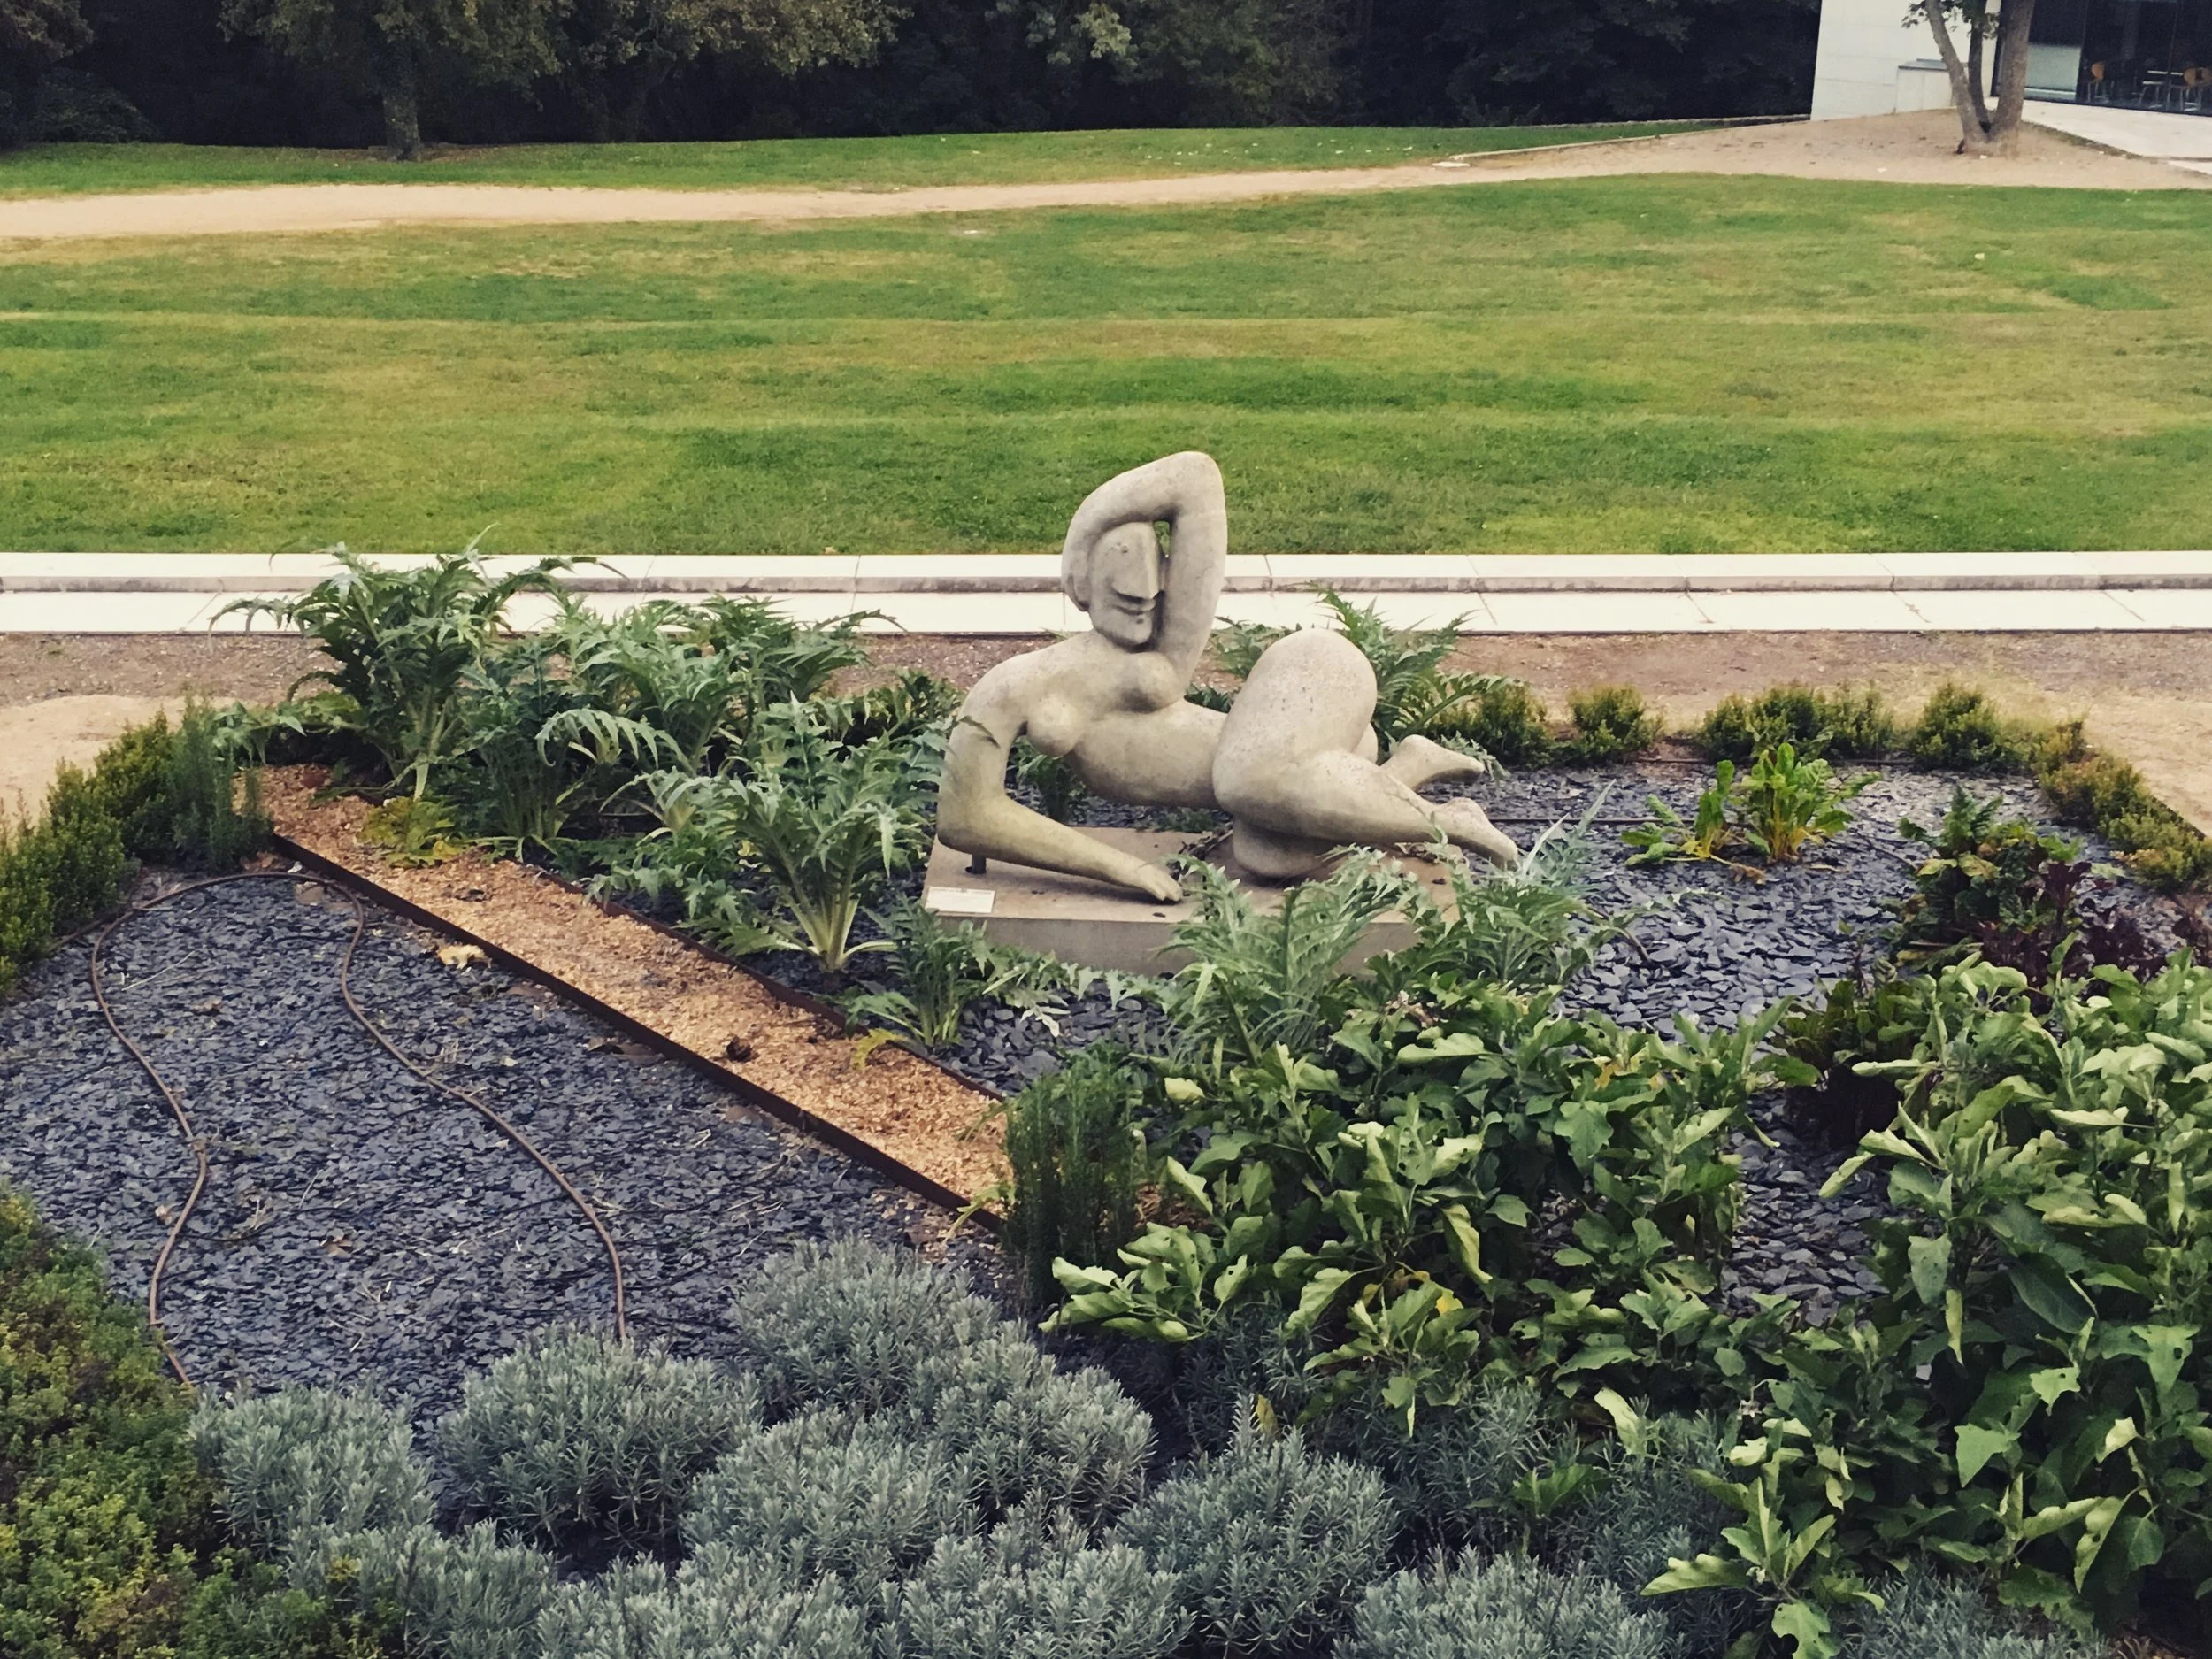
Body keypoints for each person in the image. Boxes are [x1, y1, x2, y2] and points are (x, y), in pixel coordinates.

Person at [936, 452, 1519, 902]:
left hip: (1310, 676)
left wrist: (1088, 523)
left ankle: (1452, 824)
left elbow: (1195, 476)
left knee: (1245, 776)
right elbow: (966, 814)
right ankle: (1405, 765)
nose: (1146, 602)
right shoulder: (1015, 683)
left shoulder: (1165, 652)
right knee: (1270, 857)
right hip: (1297, 765)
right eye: (1123, 594)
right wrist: (1117, 865)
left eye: (1155, 591)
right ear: (1082, 584)